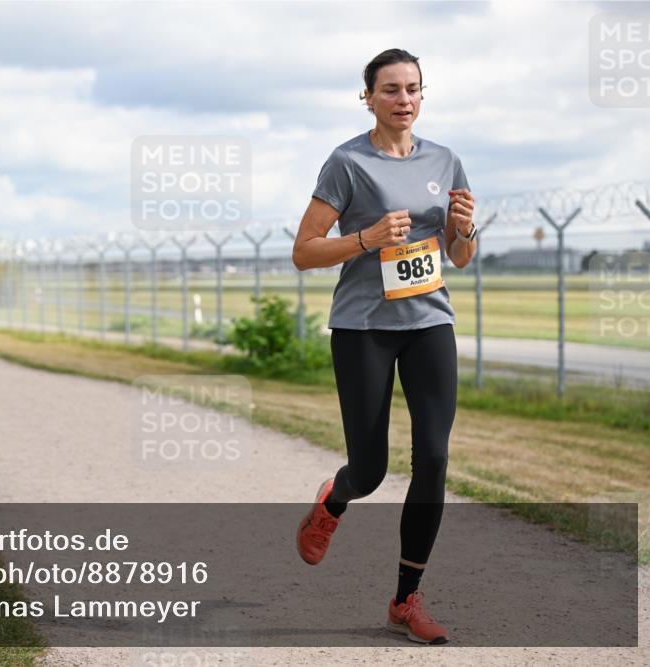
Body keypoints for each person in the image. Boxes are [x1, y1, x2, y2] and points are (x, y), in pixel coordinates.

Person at [290, 48, 477, 646]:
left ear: (424, 95)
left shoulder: (446, 161)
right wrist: (366, 238)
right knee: (371, 470)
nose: (404, 99)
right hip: (364, 326)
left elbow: (460, 255)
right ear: (367, 97)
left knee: (436, 457)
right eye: (391, 89)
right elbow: (304, 250)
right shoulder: (347, 162)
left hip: (429, 321)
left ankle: (405, 599)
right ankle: (334, 498)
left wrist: (466, 227)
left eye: (413, 89)